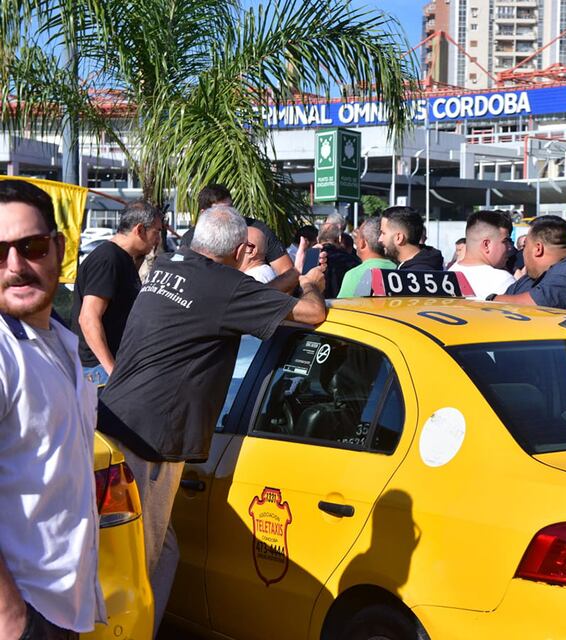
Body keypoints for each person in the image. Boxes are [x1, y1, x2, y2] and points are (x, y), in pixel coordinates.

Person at [97, 204, 327, 635]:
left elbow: (237, 299)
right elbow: (313, 315)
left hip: (115, 422)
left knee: (161, 552)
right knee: (141, 560)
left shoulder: (169, 265)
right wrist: (311, 284)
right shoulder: (225, 288)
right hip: (152, 441)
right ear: (242, 251)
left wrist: (292, 277)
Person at [0, 179, 105, 638]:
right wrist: (11, 617)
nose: (14, 266)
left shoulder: (59, 339)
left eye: (32, 246)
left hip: (63, 606)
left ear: (59, 247)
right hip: (25, 610)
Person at [70, 200, 163, 385]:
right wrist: (112, 371)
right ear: (139, 230)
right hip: (99, 370)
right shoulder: (108, 259)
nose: (158, 239)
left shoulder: (123, 258)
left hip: (110, 367)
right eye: (156, 231)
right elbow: (88, 319)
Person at [181, 184, 299, 293]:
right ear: (203, 213)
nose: (229, 214)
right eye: (222, 211)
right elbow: (185, 277)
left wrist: (275, 310)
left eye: (231, 208)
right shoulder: (191, 237)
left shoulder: (257, 230)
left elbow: (287, 273)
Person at [493, 215, 566, 316]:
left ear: (538, 249)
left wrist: (491, 299)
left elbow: (534, 306)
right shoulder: (530, 279)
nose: (522, 252)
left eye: (525, 246)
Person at [449, 211, 516, 299]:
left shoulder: (448, 275)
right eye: (506, 241)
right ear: (486, 245)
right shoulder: (502, 280)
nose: (509, 247)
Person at [302, 213, 360, 298]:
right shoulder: (351, 261)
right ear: (339, 239)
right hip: (343, 308)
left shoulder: (309, 258)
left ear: (317, 239)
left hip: (315, 305)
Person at [337, 217, 397, 298]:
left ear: (362, 243)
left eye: (357, 239)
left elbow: (341, 307)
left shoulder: (353, 275)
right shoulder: (399, 268)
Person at [379, 206, 444, 270]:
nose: (380, 239)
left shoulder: (413, 276)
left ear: (399, 238)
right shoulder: (429, 264)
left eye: (383, 233)